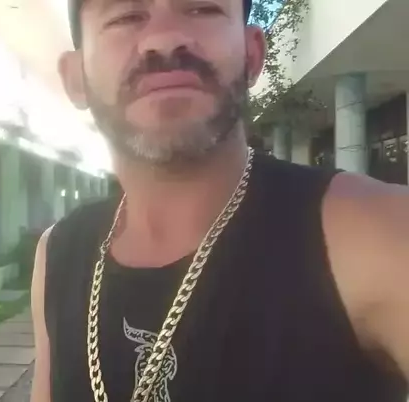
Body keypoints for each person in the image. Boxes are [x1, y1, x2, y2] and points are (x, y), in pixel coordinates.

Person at [30, 0, 409, 401]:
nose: (164, 38)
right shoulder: (56, 256)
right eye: (125, 16)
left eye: (202, 8)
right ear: (76, 77)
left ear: (252, 55)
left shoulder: (376, 234)